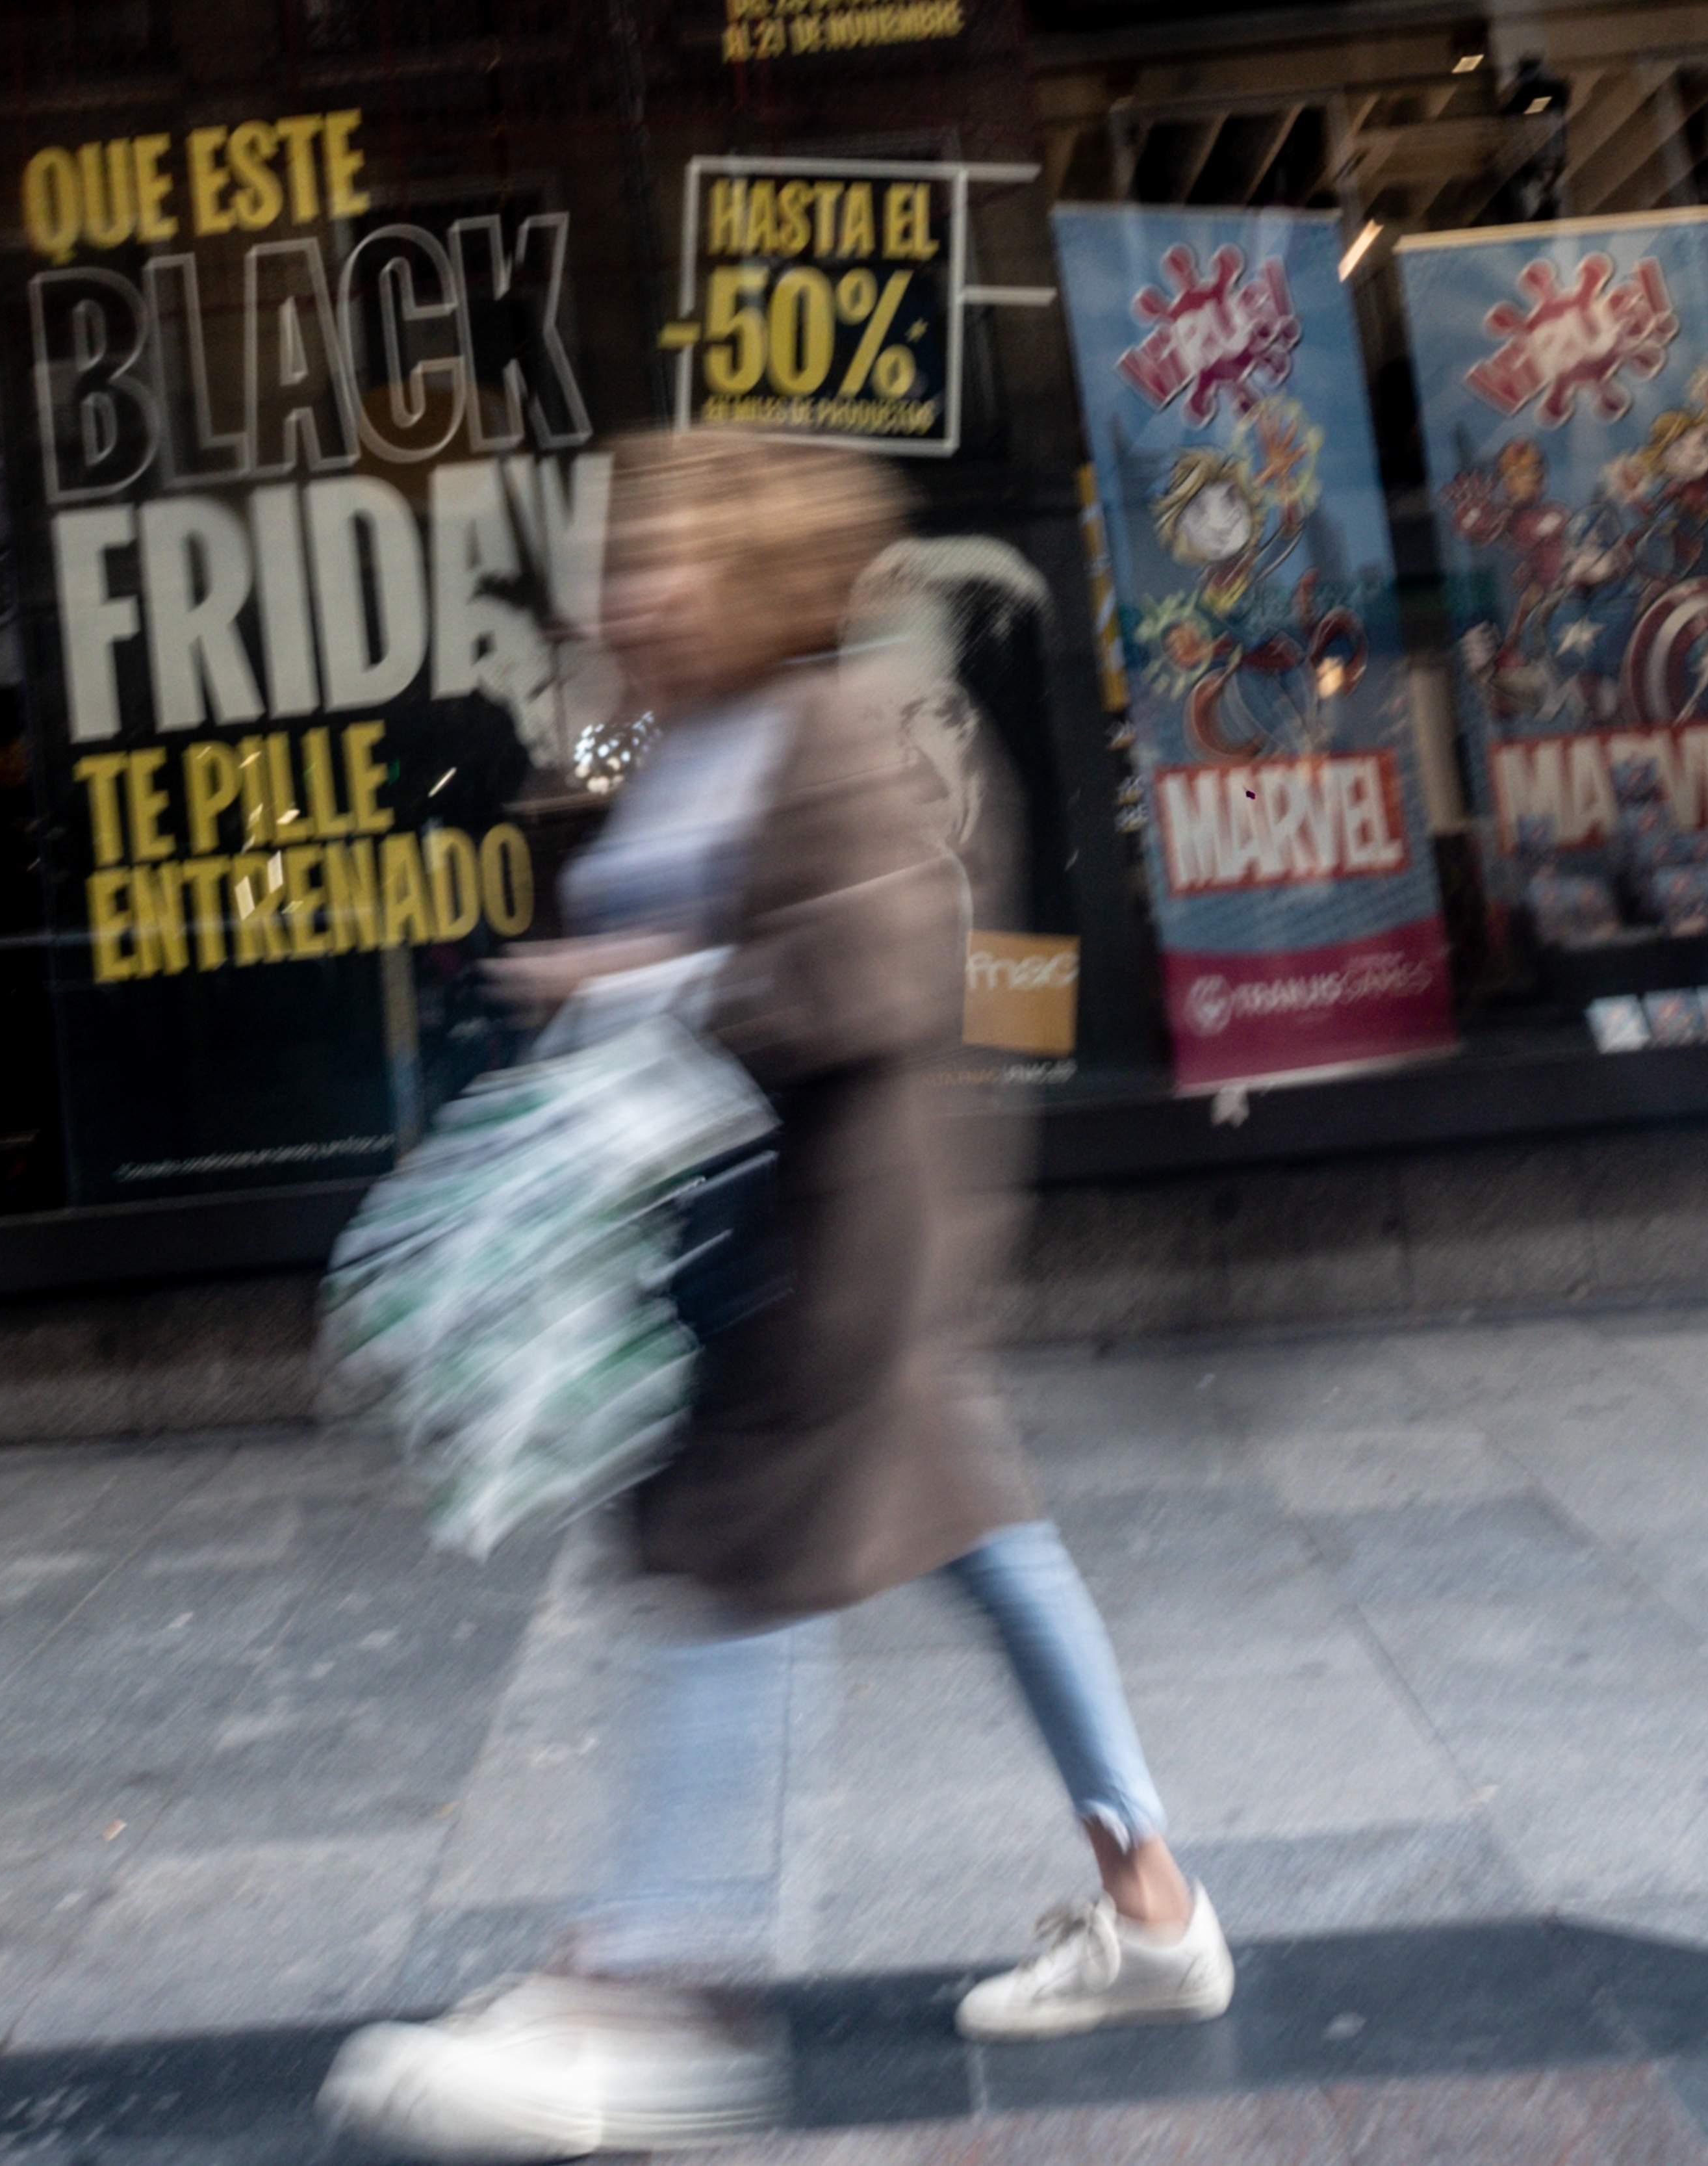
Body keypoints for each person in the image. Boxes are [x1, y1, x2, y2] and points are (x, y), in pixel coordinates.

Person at [320, 435, 1231, 2163]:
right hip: (770, 1235)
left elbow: (873, 975)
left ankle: (649, 1991)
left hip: (824, 1248)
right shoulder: (680, 735)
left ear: (755, 572)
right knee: (987, 1541)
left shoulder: (850, 726)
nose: (628, 590)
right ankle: (1156, 1904)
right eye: (621, 559)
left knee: (736, 1554)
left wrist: (636, 969)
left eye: (664, 558)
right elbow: (601, 833)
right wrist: (584, 865)